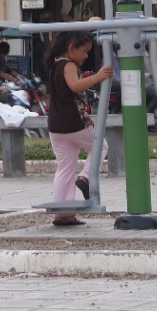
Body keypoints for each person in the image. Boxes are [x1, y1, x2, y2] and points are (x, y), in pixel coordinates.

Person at [44, 30, 113, 226]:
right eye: (84, 51)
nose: (86, 56)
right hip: (74, 123)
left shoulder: (55, 64)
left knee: (65, 168)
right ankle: (85, 178)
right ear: (71, 48)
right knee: (101, 146)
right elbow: (76, 86)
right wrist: (99, 76)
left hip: (56, 127)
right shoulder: (68, 65)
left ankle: (62, 213)